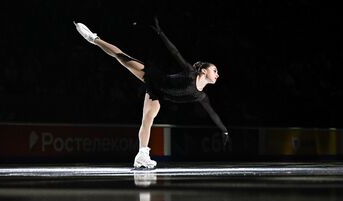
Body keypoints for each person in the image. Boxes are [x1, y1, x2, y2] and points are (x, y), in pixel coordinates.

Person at [73, 17, 229, 169]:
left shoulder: (201, 96)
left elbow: (213, 114)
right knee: (122, 57)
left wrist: (224, 130)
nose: (217, 74)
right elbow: (175, 52)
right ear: (203, 70)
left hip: (158, 93)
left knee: (148, 118)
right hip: (154, 77)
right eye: (215, 70)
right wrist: (160, 33)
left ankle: (142, 155)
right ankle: (94, 38)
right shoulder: (190, 73)